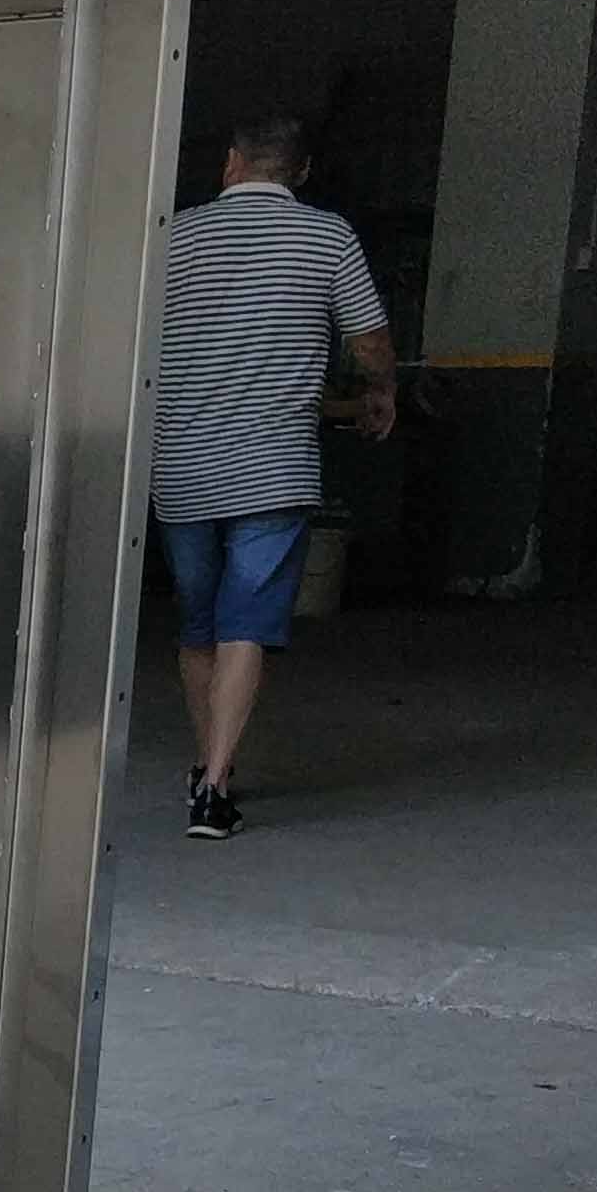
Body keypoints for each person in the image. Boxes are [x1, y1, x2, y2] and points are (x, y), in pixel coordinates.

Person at [152, 115, 395, 837]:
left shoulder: (173, 236)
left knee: (199, 624)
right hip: (272, 468)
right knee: (246, 624)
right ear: (303, 172)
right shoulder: (328, 237)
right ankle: (214, 787)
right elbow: (369, 339)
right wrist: (381, 391)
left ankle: (208, 765)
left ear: (231, 163)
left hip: (182, 464)